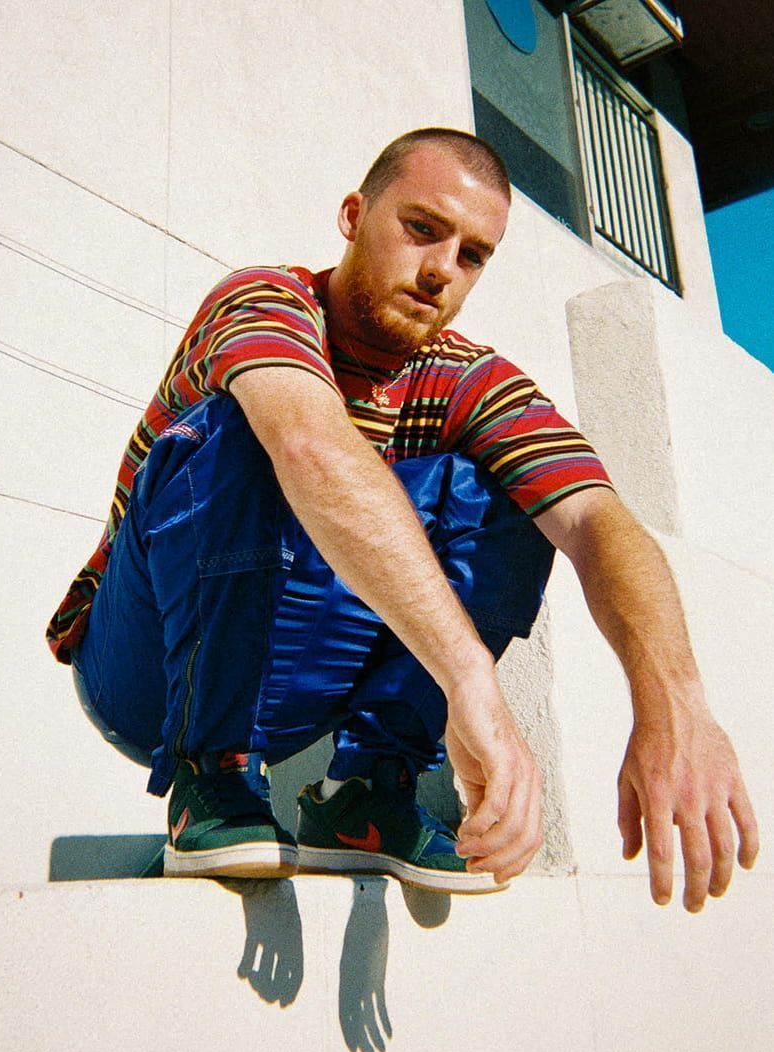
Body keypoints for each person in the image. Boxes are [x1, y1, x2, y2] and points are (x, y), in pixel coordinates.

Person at [47, 127, 758, 910]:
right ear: (354, 215)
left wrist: (675, 707)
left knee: (505, 496)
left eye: (472, 255)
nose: (440, 272)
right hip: (140, 669)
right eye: (422, 229)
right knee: (249, 422)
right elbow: (311, 445)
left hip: (293, 679)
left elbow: (599, 522)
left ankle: (367, 796)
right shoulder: (266, 301)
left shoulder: (468, 381)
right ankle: (209, 775)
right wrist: (470, 679)